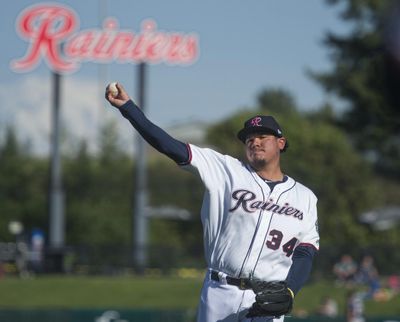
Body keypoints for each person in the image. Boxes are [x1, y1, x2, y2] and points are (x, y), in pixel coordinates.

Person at [105, 83, 320, 322]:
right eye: (249, 138)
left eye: (262, 136)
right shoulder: (226, 169)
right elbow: (168, 144)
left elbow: (305, 253)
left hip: (268, 300)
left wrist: (290, 291)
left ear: (281, 143)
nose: (254, 142)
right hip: (220, 292)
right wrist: (129, 109)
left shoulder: (305, 197)